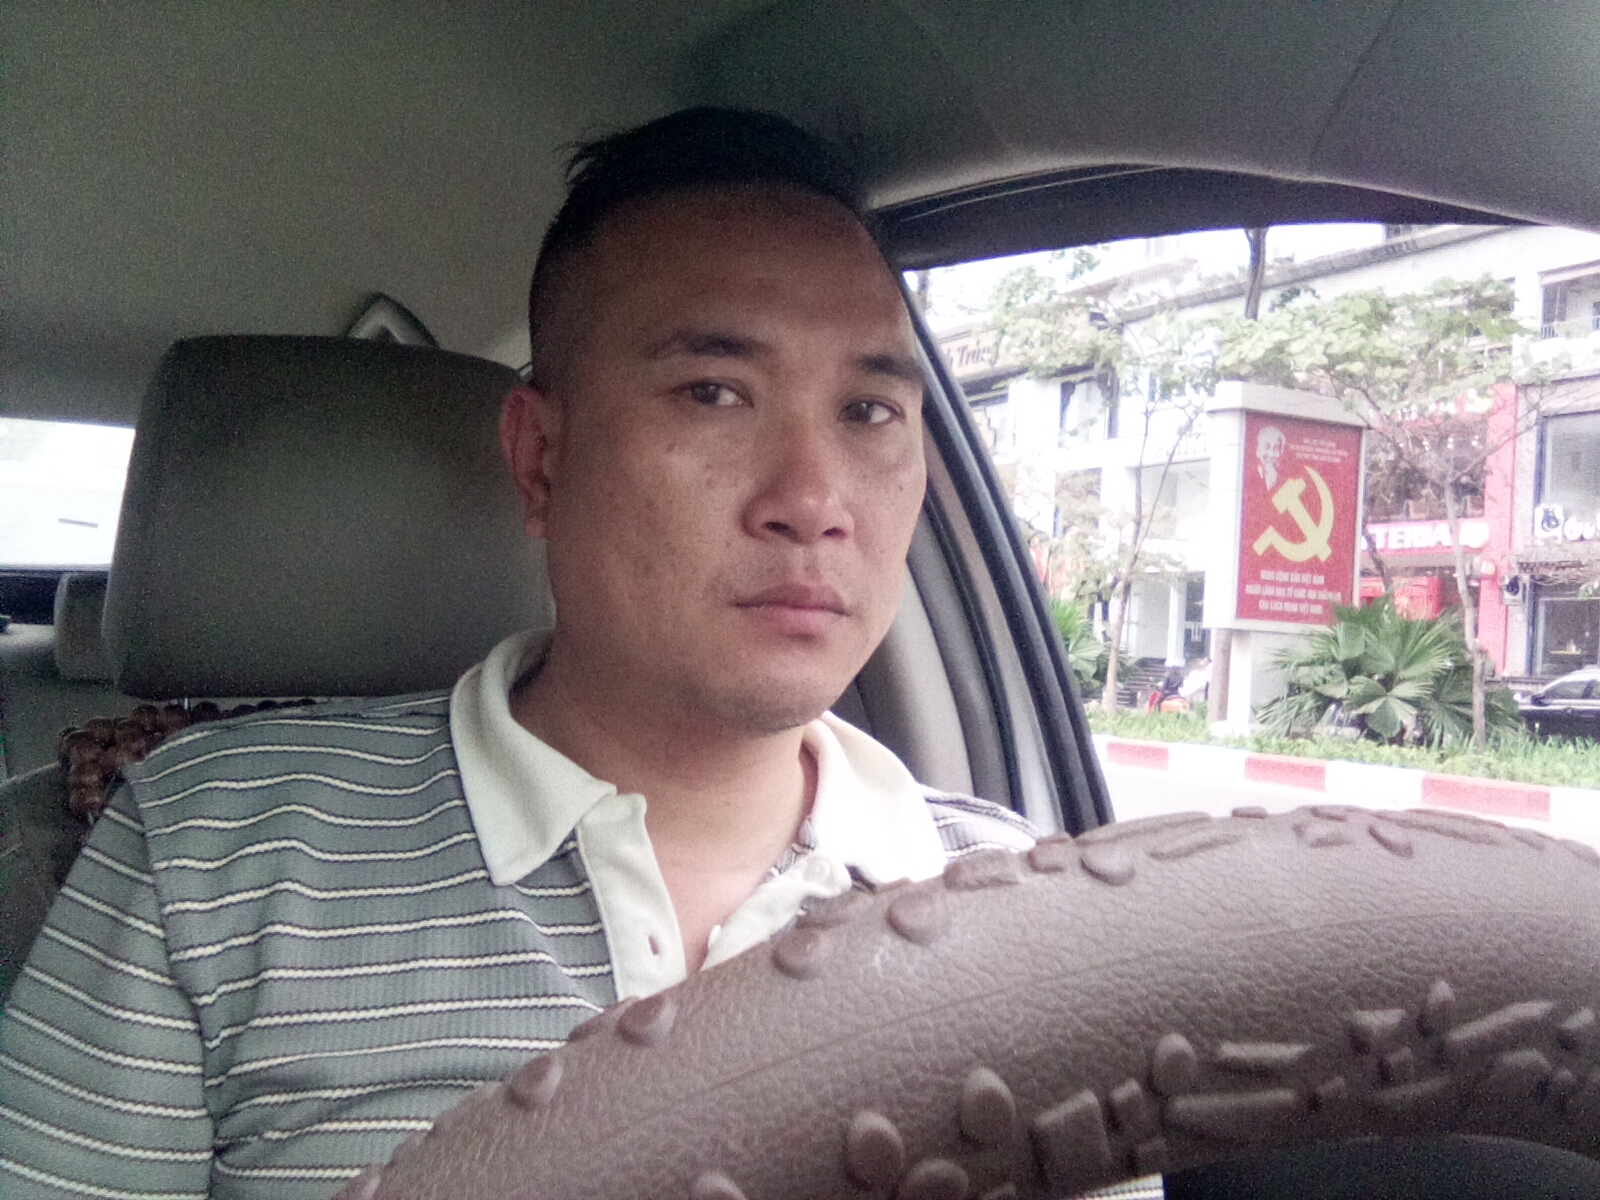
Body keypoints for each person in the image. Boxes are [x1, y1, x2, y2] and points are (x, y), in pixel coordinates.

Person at [0, 109, 1036, 1199]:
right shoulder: (206, 850)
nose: (814, 500)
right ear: (541, 460)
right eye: (714, 393)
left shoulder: (1021, 903)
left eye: (869, 410)